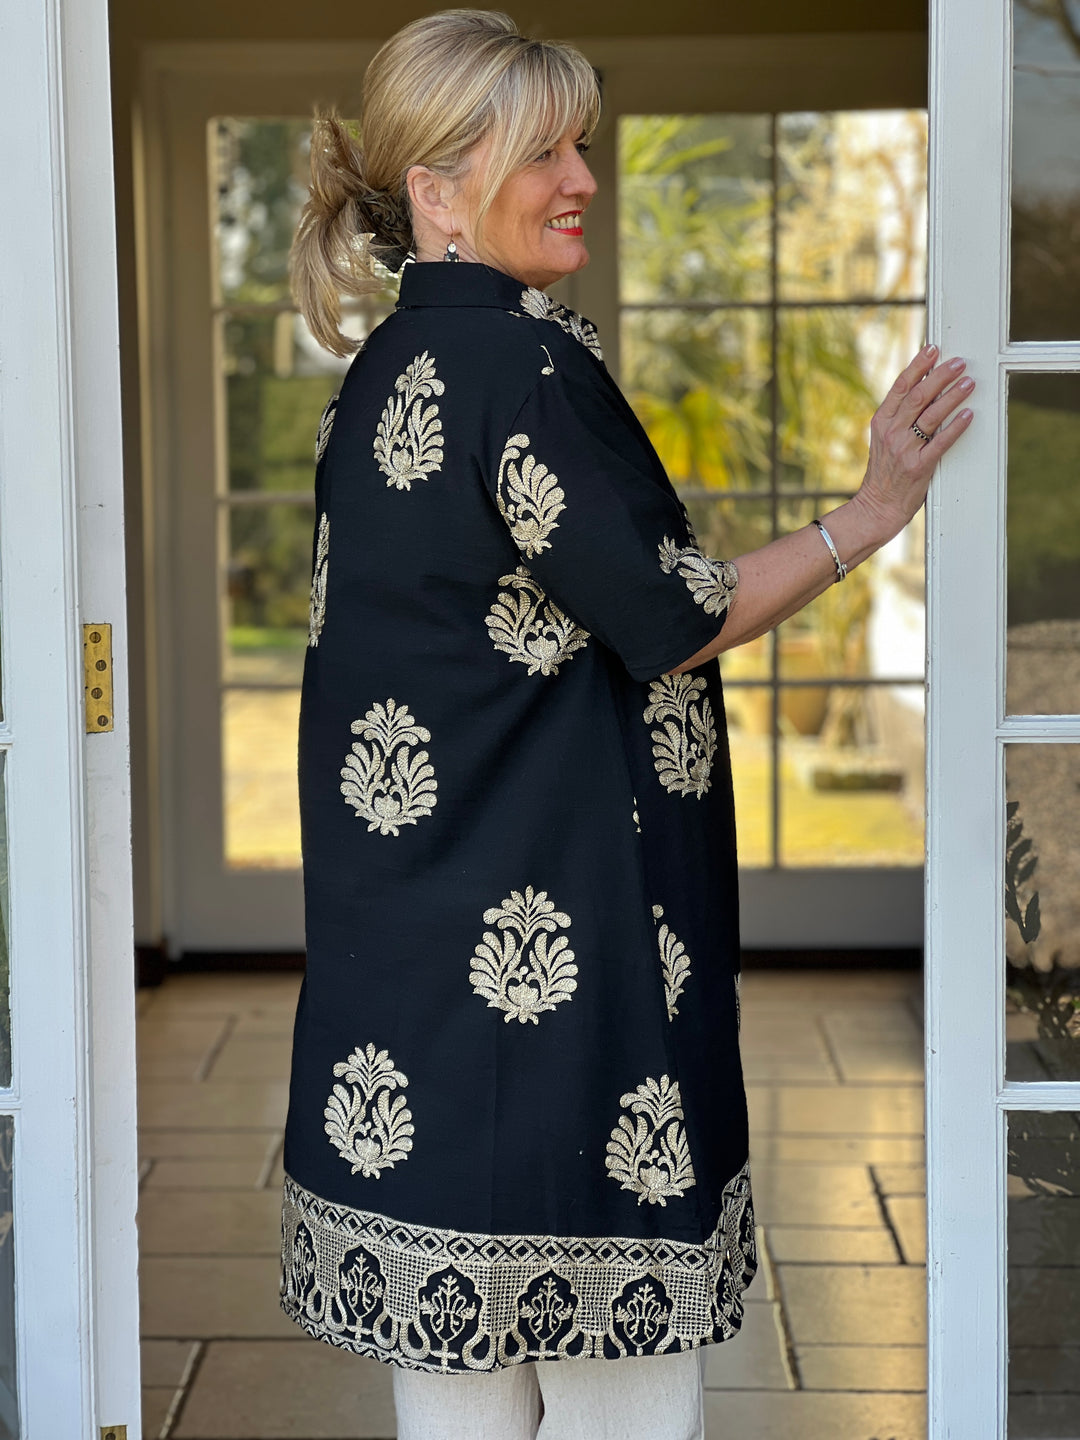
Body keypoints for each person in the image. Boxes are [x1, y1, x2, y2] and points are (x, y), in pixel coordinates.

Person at [278, 11, 974, 1439]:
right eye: (547, 151)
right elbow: (671, 618)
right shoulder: (518, 369)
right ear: (440, 189)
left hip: (408, 974)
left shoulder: (379, 378)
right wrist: (868, 516)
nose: (583, 178)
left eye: (581, 144)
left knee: (455, 1417)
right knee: (626, 1414)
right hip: (572, 987)